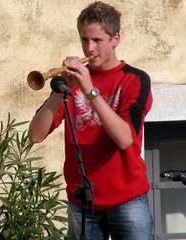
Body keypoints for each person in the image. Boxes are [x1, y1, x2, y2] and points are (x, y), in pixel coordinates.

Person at [28, 1, 153, 239]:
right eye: (84, 40)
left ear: (116, 39)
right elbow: (34, 135)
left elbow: (125, 139)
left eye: (97, 40)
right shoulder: (73, 83)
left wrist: (89, 90)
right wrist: (59, 92)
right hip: (81, 202)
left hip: (127, 200)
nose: (89, 48)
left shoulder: (135, 79)